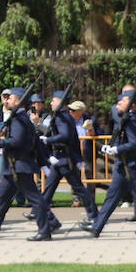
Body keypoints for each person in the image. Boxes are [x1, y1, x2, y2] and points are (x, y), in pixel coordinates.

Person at [0, 88, 55, 241]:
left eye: (10, 98)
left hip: (19, 166)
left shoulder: (18, 120)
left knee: (35, 199)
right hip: (13, 166)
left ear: (18, 101)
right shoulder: (19, 117)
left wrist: (0, 142)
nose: (6, 101)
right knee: (1, 197)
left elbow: (17, 141)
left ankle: (45, 230)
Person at [89, 90, 136, 241]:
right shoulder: (126, 118)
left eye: (123, 100)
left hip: (132, 165)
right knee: (112, 196)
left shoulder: (132, 120)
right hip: (123, 164)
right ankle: (97, 227)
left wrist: (117, 149)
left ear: (132, 105)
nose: (119, 102)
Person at [40, 91, 98, 227]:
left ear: (60, 102)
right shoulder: (64, 116)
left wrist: (48, 140)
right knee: (48, 189)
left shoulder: (62, 116)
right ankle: (41, 212)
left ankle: (94, 216)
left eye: (53, 100)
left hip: (65, 159)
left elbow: (65, 135)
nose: (51, 103)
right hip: (60, 159)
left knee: (79, 189)